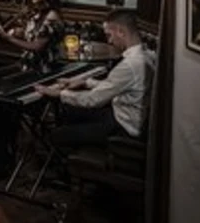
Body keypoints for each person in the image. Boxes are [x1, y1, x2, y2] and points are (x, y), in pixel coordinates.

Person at [36, 10, 156, 148]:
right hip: (126, 116)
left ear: (121, 31)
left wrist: (59, 94)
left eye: (109, 35)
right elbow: (115, 85)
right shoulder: (147, 55)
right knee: (69, 113)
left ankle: (70, 164)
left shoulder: (130, 65)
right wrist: (85, 82)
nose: (110, 41)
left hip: (123, 126)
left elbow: (93, 100)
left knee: (57, 135)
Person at [0, 0, 64, 71]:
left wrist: (8, 37)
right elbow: (34, 34)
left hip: (44, 68)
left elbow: (37, 46)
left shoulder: (51, 17)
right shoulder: (37, 13)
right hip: (30, 65)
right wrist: (19, 32)